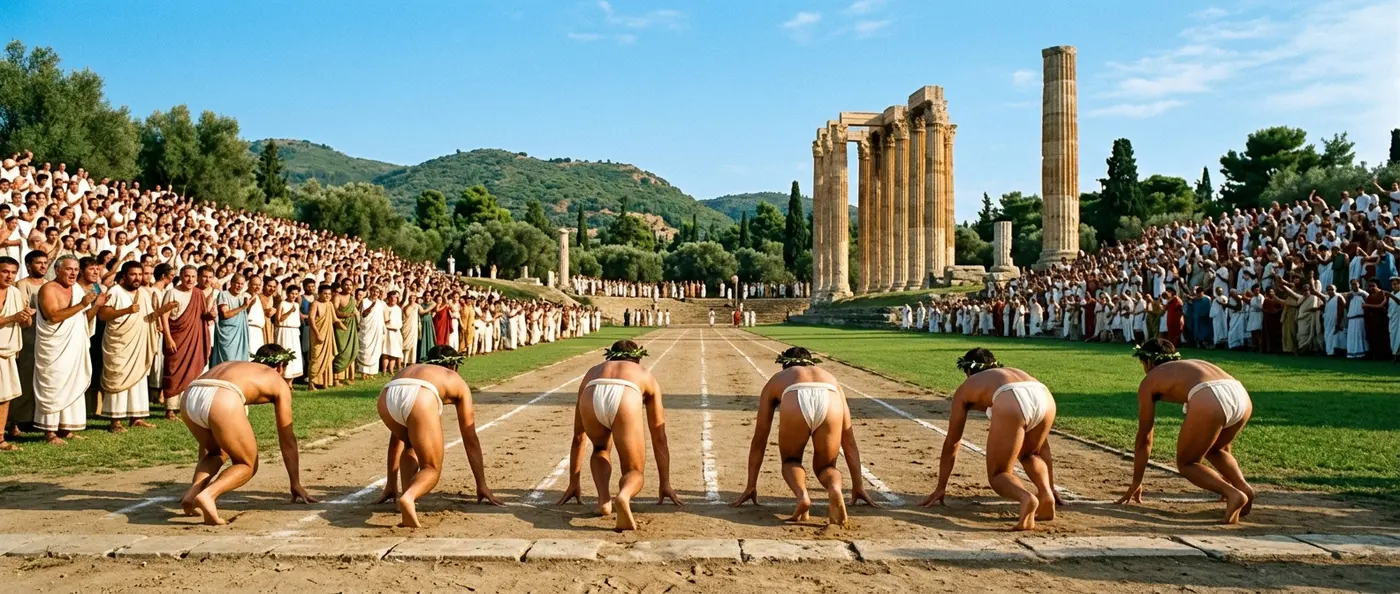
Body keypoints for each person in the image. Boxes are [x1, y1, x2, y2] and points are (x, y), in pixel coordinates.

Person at [730, 347, 876, 527]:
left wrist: (751, 485)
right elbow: (849, 438)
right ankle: (835, 488)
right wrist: (858, 485)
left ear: (785, 364)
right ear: (812, 363)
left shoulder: (778, 379)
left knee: (790, 461)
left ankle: (802, 496)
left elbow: (760, 436)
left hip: (794, 395)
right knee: (826, 465)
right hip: (829, 395)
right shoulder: (830, 377)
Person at [918, 348, 1061, 531]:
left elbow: (953, 441)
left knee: (999, 474)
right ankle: (1046, 494)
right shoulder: (1012, 373)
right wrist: (1051, 485)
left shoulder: (968, 386)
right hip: (1044, 395)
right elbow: (1044, 449)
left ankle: (1026, 498)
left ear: (968, 371)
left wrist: (941, 486)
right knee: (1030, 455)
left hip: (1011, 398)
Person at [1116, 338, 1255, 524]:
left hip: (1209, 396)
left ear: (1148, 362)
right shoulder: (1191, 366)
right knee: (1216, 448)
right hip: (1241, 394)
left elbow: (1145, 437)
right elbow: (1221, 438)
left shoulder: (1150, 380)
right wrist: (1226, 476)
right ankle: (1243, 487)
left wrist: (1136, 481)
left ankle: (1233, 494)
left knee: (1187, 463)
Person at [177, 344, 317, 525]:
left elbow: (205, 448)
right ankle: (208, 495)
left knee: (217, 452)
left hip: (190, 395)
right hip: (223, 395)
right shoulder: (277, 380)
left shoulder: (237, 366)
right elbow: (286, 437)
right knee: (247, 463)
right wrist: (295, 483)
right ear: (281, 366)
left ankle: (191, 495)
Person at [556, 340, 683, 531]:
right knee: (634, 469)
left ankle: (603, 500)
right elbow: (659, 435)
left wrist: (574, 482)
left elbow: (578, 436)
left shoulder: (594, 370)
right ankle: (623, 495)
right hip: (626, 393)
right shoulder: (643, 373)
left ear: (610, 357)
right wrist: (665, 482)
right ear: (638, 358)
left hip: (592, 390)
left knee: (600, 449)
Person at [372, 345, 503, 528]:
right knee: (431, 467)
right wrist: (481, 484)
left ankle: (403, 492)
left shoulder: (411, 370)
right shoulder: (454, 378)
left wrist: (390, 483)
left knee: (410, 444)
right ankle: (409, 498)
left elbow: (396, 442)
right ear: (454, 366)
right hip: (421, 394)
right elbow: (469, 437)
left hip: (387, 395)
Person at [34, 256, 103, 444]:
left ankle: (66, 427)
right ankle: (49, 431)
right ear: (57, 270)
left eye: (75, 269)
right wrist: (82, 304)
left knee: (73, 382)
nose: (73, 273)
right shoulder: (48, 289)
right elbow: (53, 316)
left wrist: (95, 305)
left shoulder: (78, 289)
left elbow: (82, 318)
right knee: (54, 384)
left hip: (74, 345)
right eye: (68, 269)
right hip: (54, 347)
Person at [0, 256, 33, 450]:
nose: (9, 276)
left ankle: (0, 438)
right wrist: (13, 317)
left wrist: (26, 317)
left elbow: (24, 323)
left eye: (13, 272)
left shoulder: (14, 292)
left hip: (8, 350)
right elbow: (12, 317)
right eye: (5, 271)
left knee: (5, 396)